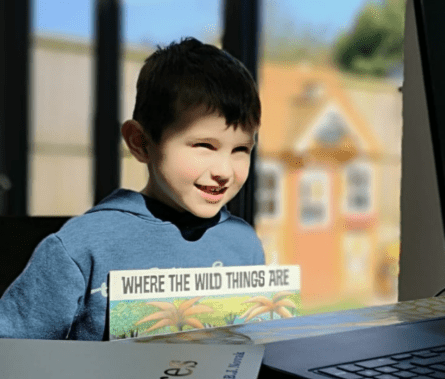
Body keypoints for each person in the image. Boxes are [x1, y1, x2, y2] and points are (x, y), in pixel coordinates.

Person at [0, 37, 265, 340]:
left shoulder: (244, 243)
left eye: (241, 149)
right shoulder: (80, 248)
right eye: (204, 145)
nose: (224, 171)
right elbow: (9, 353)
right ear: (140, 142)